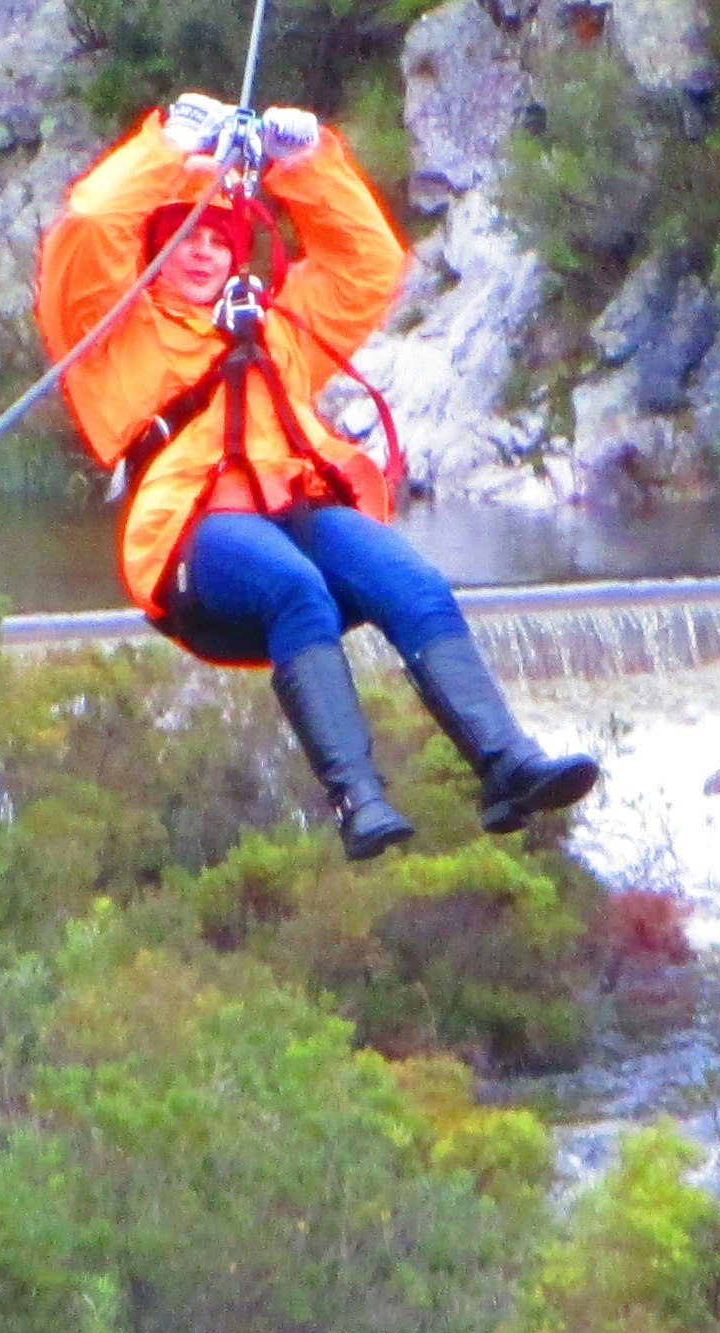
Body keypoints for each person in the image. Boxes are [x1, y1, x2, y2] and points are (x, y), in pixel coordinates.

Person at [33, 95, 598, 860]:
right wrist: (167, 148)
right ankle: (357, 799)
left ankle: (506, 763)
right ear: (157, 249)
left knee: (414, 582)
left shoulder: (275, 329)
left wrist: (303, 163)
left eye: (219, 241)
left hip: (294, 505)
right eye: (186, 238)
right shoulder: (111, 332)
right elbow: (92, 225)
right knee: (293, 587)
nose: (203, 254)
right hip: (191, 531)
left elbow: (368, 264)